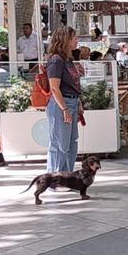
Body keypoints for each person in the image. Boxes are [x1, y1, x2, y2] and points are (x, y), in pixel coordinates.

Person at [45, 26, 83, 174]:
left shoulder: (67, 59)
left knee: (71, 142)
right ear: (66, 40)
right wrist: (65, 109)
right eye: (74, 38)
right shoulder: (56, 60)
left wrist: (78, 103)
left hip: (71, 102)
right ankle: (55, 176)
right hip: (62, 104)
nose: (77, 41)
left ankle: (66, 174)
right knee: (60, 143)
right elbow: (55, 87)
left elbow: (74, 84)